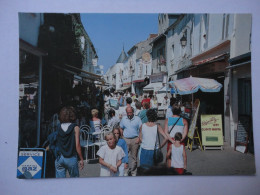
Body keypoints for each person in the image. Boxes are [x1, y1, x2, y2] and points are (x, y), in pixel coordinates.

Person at [55, 106, 84, 178]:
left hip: (60, 157)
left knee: (59, 183)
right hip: (71, 158)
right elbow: (77, 145)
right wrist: (81, 159)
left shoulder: (58, 126)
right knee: (74, 182)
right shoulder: (75, 127)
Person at [119, 107, 142, 176]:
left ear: (133, 112)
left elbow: (141, 129)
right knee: (125, 156)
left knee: (134, 157)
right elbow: (121, 127)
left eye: (130, 112)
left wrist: (139, 138)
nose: (129, 114)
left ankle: (133, 172)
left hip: (135, 139)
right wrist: (122, 136)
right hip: (126, 139)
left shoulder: (137, 119)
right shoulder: (123, 119)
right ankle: (126, 171)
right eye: (128, 113)